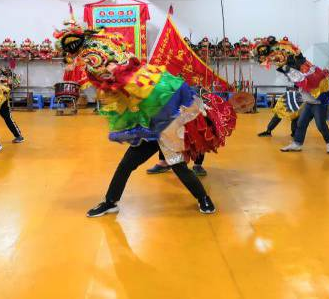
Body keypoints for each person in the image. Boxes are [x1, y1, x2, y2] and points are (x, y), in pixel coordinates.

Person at [53, 22, 235, 218]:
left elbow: (117, 75)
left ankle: (203, 198)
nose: (109, 67)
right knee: (126, 164)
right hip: (146, 124)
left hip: (164, 118)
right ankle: (110, 202)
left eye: (109, 64)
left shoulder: (108, 58)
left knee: (177, 165)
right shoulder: (106, 55)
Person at [255, 36, 329, 154]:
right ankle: (297, 143)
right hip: (309, 103)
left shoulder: (306, 69)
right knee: (301, 123)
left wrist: (288, 46)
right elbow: (289, 70)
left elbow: (298, 58)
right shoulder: (295, 74)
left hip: (319, 103)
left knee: (320, 125)